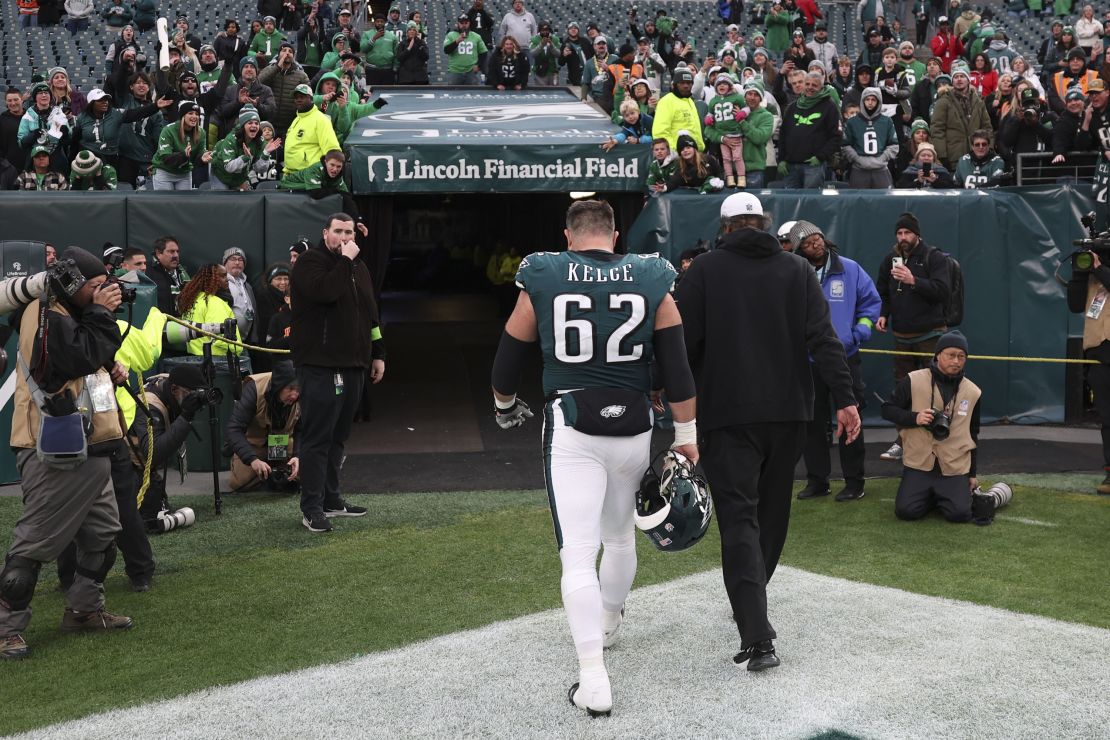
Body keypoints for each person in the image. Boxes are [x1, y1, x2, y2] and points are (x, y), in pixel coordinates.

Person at [490, 199, 697, 717]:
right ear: (615, 234)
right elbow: (676, 365)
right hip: (633, 424)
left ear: (568, 236)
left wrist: (504, 402)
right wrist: (688, 433)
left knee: (578, 553)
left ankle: (593, 676)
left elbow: (509, 354)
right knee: (621, 536)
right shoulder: (651, 273)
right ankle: (608, 622)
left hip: (573, 424)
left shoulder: (544, 270)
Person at [675, 193, 860, 671]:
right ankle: (752, 599)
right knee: (772, 515)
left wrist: (666, 394)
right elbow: (824, 339)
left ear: (726, 226)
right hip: (789, 415)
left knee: (739, 519)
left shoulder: (704, 272)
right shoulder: (797, 271)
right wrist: (846, 398)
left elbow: (682, 344)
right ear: (764, 224)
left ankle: (756, 633)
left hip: (727, 415)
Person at [0, 247, 133, 661]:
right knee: (35, 543)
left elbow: (86, 358)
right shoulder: (45, 315)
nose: (102, 293)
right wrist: (101, 314)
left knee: (102, 536)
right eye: (94, 287)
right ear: (74, 287)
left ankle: (83, 609)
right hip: (53, 446)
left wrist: (108, 365)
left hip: (87, 444)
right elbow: (75, 357)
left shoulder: (65, 312)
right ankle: (5, 628)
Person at [290, 213, 386, 533]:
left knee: (338, 437)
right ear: (326, 233)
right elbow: (326, 293)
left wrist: (379, 354)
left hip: (354, 365)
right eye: (338, 232)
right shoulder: (309, 262)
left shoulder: (358, 266)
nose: (344, 237)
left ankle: (331, 499)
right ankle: (312, 508)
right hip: (320, 365)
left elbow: (370, 313)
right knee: (317, 438)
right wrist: (345, 261)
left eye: (348, 232)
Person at [788, 221, 880, 501]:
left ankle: (854, 482)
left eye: (816, 237)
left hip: (845, 358)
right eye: (806, 242)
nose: (814, 243)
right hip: (807, 362)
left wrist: (860, 331)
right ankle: (818, 481)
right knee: (811, 424)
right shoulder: (794, 273)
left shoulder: (849, 269)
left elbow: (870, 303)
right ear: (798, 250)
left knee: (850, 418)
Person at [874, 212, 951, 461]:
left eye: (907, 232)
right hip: (901, 336)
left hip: (930, 334)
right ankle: (903, 440)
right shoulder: (890, 259)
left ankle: (938, 439)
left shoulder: (934, 257)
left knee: (935, 388)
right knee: (903, 391)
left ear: (917, 234)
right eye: (899, 233)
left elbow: (943, 291)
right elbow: (882, 292)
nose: (903, 237)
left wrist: (913, 280)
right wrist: (883, 314)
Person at [882, 331, 981, 520]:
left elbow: (973, 434)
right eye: (951, 355)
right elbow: (887, 409)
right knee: (906, 512)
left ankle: (942, 495)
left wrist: (972, 474)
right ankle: (935, 496)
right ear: (937, 355)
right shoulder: (913, 379)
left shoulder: (974, 392)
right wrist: (915, 418)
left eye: (961, 357)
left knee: (960, 514)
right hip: (919, 463)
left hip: (954, 466)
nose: (956, 361)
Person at [130, 365, 213, 525]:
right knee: (147, 517)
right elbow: (152, 455)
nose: (195, 399)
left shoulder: (169, 384)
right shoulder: (149, 406)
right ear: (174, 389)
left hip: (142, 469)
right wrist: (186, 415)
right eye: (190, 394)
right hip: (127, 468)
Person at [226, 361, 301, 492]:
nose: (295, 395)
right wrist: (252, 459)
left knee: (309, 472)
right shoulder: (254, 388)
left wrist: (297, 455)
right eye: (290, 388)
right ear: (278, 386)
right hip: (255, 444)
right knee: (240, 482)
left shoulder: (302, 396)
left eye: (298, 389)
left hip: (284, 443)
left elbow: (303, 430)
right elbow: (234, 429)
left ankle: (273, 476)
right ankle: (267, 476)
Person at [778, 71, 841, 188]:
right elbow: (783, 134)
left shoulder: (829, 106)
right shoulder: (792, 107)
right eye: (807, 84)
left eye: (814, 85)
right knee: (790, 204)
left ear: (821, 87)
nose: (810, 88)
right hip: (790, 166)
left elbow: (836, 136)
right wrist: (782, 159)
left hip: (814, 166)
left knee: (810, 204)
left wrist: (820, 157)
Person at [176, 264, 243, 357]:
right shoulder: (215, 303)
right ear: (211, 279)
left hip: (195, 357)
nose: (227, 279)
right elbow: (220, 337)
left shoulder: (194, 300)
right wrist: (236, 350)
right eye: (223, 276)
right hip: (217, 359)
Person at [210, 105, 281, 190]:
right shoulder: (231, 139)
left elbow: (259, 169)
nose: (254, 126)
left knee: (245, 198)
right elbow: (229, 167)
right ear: (243, 125)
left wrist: (265, 153)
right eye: (250, 123)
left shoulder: (260, 141)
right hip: (221, 174)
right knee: (223, 200)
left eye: (256, 123)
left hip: (240, 177)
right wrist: (245, 158)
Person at [842, 86, 899, 188]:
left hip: (881, 169)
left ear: (879, 101)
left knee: (884, 200)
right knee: (857, 201)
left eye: (873, 99)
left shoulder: (887, 121)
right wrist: (857, 159)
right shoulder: (852, 122)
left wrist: (882, 159)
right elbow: (845, 145)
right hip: (859, 169)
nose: (870, 102)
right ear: (862, 101)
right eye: (867, 99)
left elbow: (894, 145)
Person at [151, 101, 211, 190]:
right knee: (165, 203)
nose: (194, 116)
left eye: (197, 114)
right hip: (165, 171)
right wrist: (184, 156)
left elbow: (197, 158)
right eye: (190, 113)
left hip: (184, 173)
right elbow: (166, 158)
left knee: (184, 203)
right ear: (183, 115)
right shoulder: (168, 130)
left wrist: (202, 158)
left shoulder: (201, 133)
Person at [283, 84, 340, 175]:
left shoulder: (321, 119)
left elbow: (332, 149)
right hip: (291, 174)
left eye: (302, 97)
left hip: (309, 175)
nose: (298, 100)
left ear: (311, 98)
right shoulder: (296, 120)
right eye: (296, 97)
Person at [148, 236, 190, 317]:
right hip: (160, 325)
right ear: (159, 254)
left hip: (181, 324)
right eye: (171, 251)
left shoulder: (182, 272)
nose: (176, 255)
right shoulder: (148, 272)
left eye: (177, 251)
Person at [361, 14, 400, 86]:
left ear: (385, 23)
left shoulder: (392, 36)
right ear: (374, 23)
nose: (379, 23)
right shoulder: (367, 34)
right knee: (372, 93)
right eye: (377, 21)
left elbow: (396, 53)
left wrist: (395, 67)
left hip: (388, 70)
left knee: (387, 94)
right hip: (372, 70)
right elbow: (363, 49)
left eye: (381, 21)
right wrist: (374, 38)